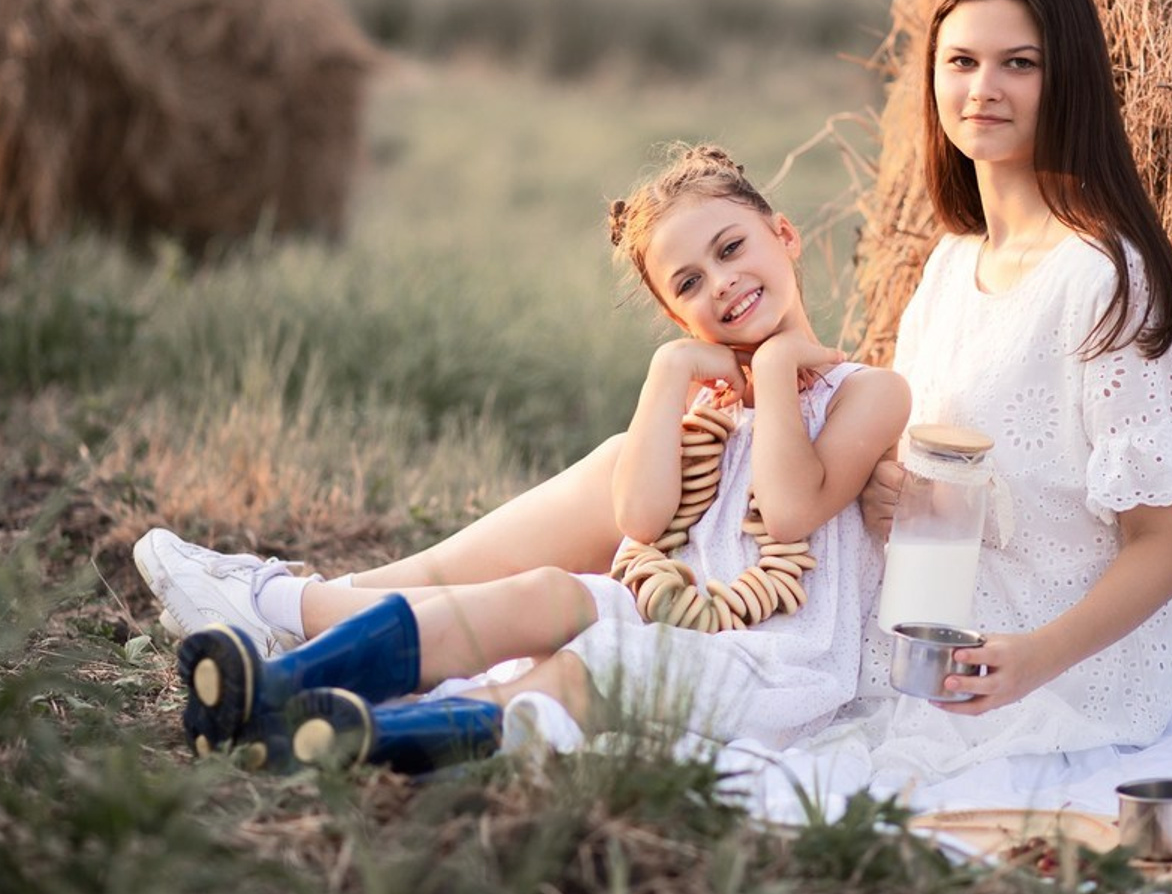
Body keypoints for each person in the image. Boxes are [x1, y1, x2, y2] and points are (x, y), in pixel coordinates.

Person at [168, 143, 910, 771]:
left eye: (732, 249)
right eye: (689, 283)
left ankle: (352, 739)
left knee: (589, 672)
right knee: (544, 593)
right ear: (676, 315)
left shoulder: (870, 391)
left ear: (785, 234)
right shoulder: (702, 409)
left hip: (777, 660)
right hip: (671, 611)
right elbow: (642, 521)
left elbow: (787, 509)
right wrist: (669, 374)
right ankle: (269, 688)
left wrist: (777, 370)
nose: (722, 283)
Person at [833, 0, 1172, 779]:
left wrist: (1035, 659)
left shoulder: (1110, 281)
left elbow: (1161, 544)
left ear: (1067, 81)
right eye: (962, 61)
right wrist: (884, 491)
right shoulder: (947, 265)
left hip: (1053, 654)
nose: (982, 89)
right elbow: (926, 466)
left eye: (1019, 64)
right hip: (930, 614)